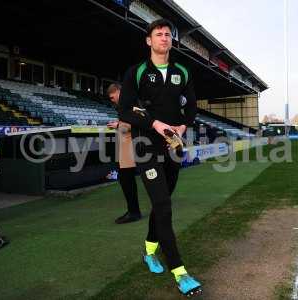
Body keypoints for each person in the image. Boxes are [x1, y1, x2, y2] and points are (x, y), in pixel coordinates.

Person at [119, 19, 202, 297]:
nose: (164, 38)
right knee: (164, 205)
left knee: (161, 203)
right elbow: (125, 111)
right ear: (149, 41)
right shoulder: (137, 72)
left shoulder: (182, 72)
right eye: (159, 34)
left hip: (174, 146)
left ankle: (149, 251)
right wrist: (154, 124)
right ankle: (180, 272)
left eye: (168, 34)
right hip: (146, 145)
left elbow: (191, 107)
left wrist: (181, 127)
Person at [107, 83, 142, 224]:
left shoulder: (131, 102)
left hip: (132, 149)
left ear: (119, 92)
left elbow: (139, 122)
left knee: (127, 180)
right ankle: (133, 211)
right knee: (126, 180)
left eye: (112, 97)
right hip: (128, 149)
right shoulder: (126, 104)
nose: (112, 100)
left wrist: (118, 125)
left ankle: (134, 212)